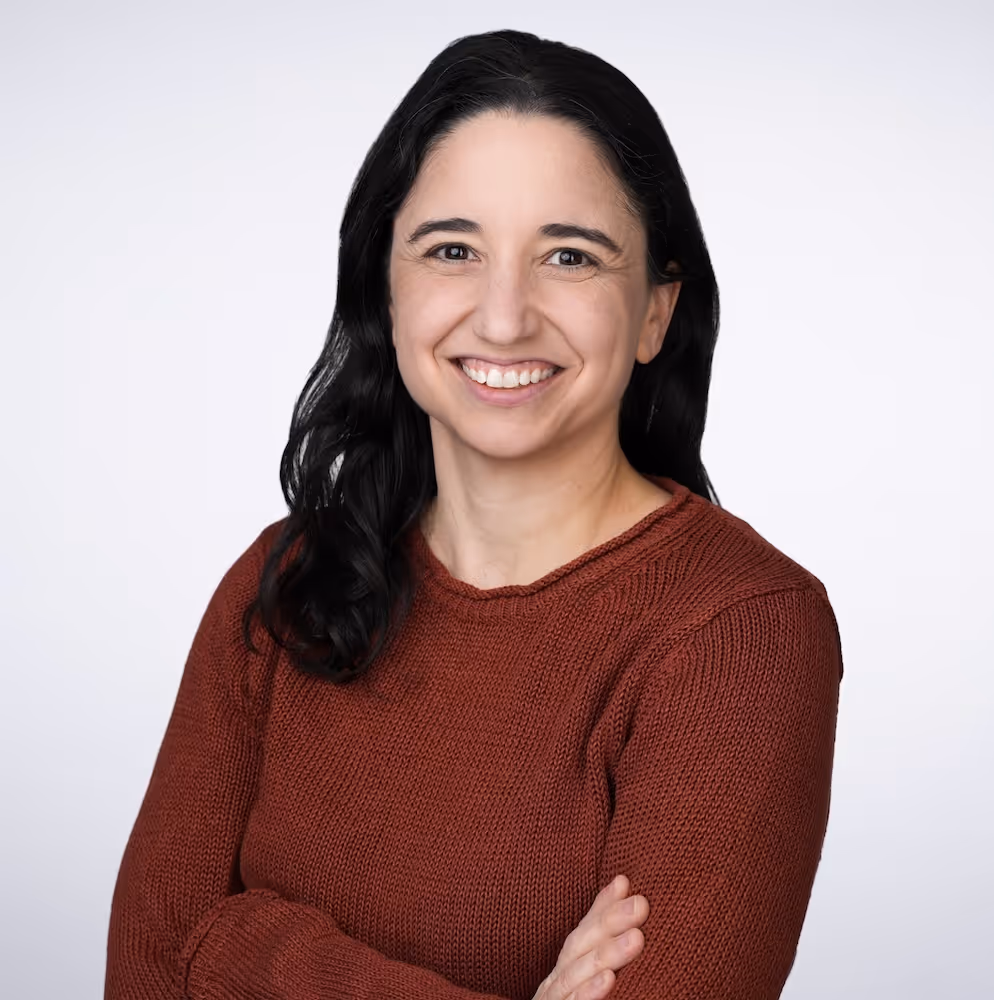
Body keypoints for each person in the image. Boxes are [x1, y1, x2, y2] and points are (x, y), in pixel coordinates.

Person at [105, 27, 843, 1000]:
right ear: (385, 281)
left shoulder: (738, 633)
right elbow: (144, 974)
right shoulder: (282, 583)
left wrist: (240, 947)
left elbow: (191, 953)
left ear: (656, 310)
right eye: (452, 249)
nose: (502, 317)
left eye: (569, 256)